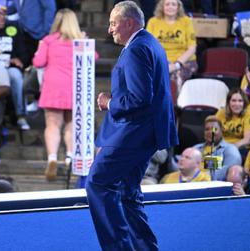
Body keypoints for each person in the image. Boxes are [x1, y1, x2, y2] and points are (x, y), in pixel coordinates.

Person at [86, 2, 178, 250]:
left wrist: (109, 103)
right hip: (146, 132)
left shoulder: (137, 48)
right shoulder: (149, 43)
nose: (109, 30)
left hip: (136, 132)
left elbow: (139, 98)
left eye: (114, 23)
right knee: (127, 191)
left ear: (129, 22)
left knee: (98, 182)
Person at [33, 8, 87, 181]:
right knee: (71, 124)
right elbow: (92, 57)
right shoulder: (80, 41)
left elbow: (38, 62)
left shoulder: (48, 41)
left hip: (53, 86)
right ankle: (70, 156)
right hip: (74, 87)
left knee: (52, 124)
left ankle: (52, 159)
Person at [0, 3, 30, 130]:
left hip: (8, 69)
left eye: (3, 14)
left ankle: (21, 115)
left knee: (16, 75)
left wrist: (18, 60)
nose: (2, 17)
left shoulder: (13, 30)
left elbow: (24, 54)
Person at [146, 0, 197, 91]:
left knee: (176, 76)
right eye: (167, 4)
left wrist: (177, 64)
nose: (170, 7)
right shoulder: (153, 22)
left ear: (178, 7)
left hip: (184, 62)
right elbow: (148, 46)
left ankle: (175, 104)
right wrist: (164, 63)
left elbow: (192, 48)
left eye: (173, 4)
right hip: (160, 60)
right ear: (162, 6)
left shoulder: (186, 21)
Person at [193, 116, 242, 181]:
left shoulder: (230, 149)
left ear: (221, 131)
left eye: (214, 129)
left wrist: (198, 177)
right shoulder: (196, 148)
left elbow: (228, 172)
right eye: (207, 129)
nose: (210, 132)